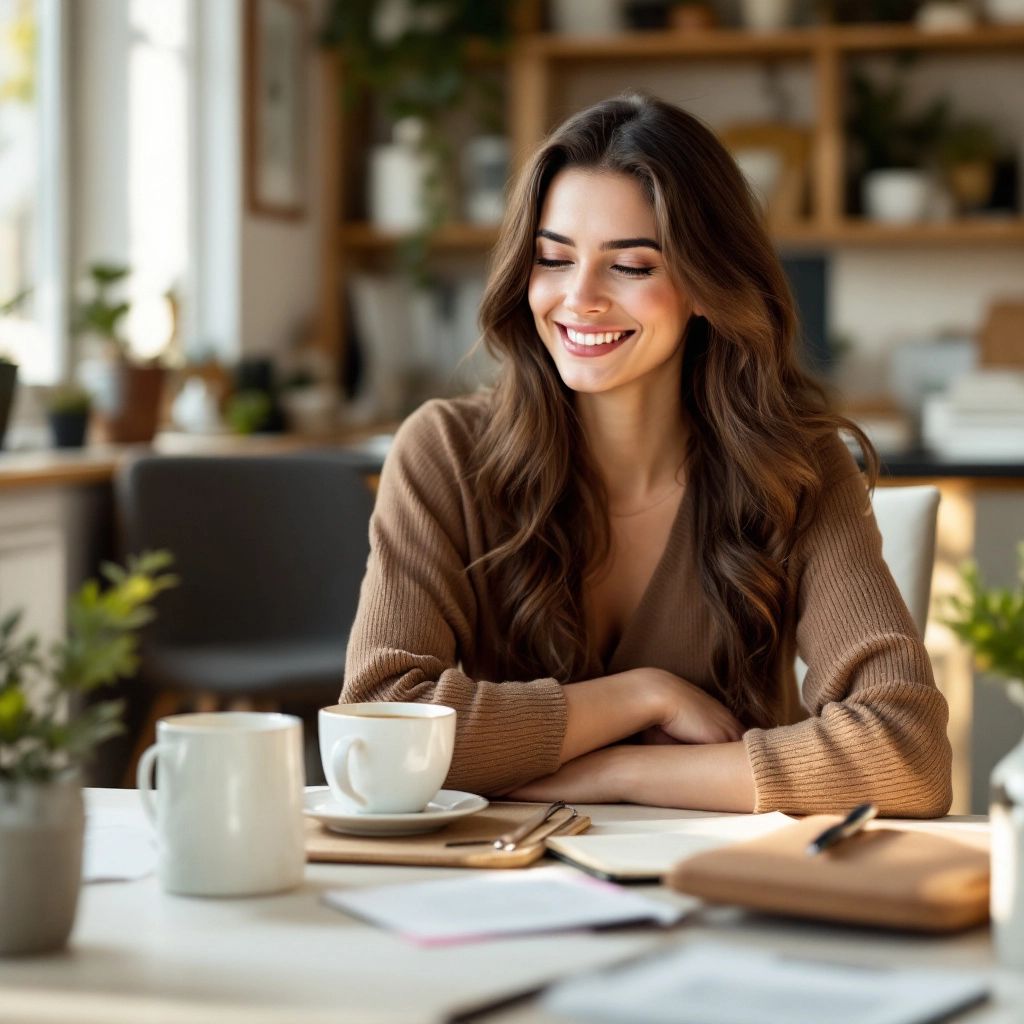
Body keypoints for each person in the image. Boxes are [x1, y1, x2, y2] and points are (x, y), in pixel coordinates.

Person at [342, 93, 952, 817]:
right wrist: (640, 696)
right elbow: (375, 729)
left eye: (630, 266)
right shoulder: (441, 452)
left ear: (705, 283)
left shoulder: (795, 465)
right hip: (494, 893)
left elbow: (908, 754)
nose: (580, 297)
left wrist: (614, 775)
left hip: (716, 891)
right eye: (553, 258)